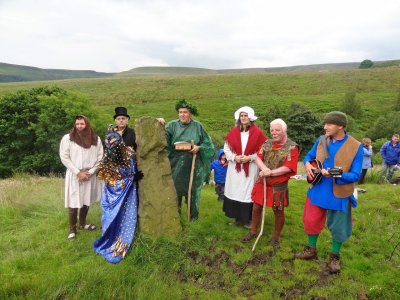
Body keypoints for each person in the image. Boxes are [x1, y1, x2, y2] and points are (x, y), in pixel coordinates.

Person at [295, 111, 363, 274]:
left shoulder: (356, 146)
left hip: (339, 193)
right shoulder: (321, 140)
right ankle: (311, 249)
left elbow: (355, 175)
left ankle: (334, 256)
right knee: (311, 220)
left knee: (339, 227)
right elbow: (308, 157)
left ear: (340, 126)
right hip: (318, 189)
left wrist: (332, 173)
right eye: (324, 124)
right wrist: (308, 165)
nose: (324, 127)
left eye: (329, 124)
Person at [241, 119, 299, 246]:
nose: (274, 133)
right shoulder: (267, 143)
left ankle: (276, 236)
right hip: (263, 182)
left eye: (277, 130)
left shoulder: (292, 147)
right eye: (272, 130)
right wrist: (264, 169)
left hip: (278, 186)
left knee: (278, 211)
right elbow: (257, 157)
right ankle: (253, 231)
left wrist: (271, 173)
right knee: (256, 208)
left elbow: (289, 167)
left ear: (284, 131)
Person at [93, 125, 140, 263]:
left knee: (125, 217)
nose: (113, 148)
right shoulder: (107, 160)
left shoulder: (129, 154)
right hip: (111, 196)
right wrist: (132, 178)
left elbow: (132, 168)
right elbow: (111, 182)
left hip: (128, 196)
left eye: (115, 144)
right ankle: (110, 239)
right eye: (110, 145)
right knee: (109, 217)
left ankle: (122, 240)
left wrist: (132, 176)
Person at [164, 99, 215, 220]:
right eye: (180, 112)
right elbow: (164, 141)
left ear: (190, 114)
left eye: (185, 112)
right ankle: (175, 220)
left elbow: (209, 145)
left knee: (192, 193)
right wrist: (160, 125)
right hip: (175, 165)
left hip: (193, 164)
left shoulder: (198, 126)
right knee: (175, 193)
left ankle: (193, 220)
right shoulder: (171, 125)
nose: (182, 114)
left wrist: (199, 147)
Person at [59, 115, 104, 240]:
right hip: (75, 175)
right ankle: (72, 228)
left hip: (90, 174)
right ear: (75, 125)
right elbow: (64, 157)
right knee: (73, 202)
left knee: (86, 201)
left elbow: (101, 157)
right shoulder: (68, 138)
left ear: (87, 124)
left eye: (82, 124)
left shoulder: (96, 139)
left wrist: (91, 172)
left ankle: (83, 224)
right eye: (77, 124)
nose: (79, 126)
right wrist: (78, 172)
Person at [223, 106, 267, 228]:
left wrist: (250, 158)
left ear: (250, 117)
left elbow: (263, 149)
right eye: (241, 115)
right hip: (235, 169)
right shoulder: (233, 132)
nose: (243, 118)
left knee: (248, 192)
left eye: (245, 115)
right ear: (239, 117)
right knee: (235, 191)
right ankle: (237, 219)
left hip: (251, 168)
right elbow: (226, 149)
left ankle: (249, 220)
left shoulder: (258, 133)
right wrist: (234, 158)